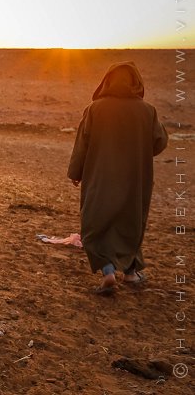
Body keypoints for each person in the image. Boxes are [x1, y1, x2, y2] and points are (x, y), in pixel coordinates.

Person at [68, 61, 168, 295]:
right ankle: (131, 274)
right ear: (136, 82)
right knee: (130, 223)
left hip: (100, 178)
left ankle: (108, 271)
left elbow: (82, 143)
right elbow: (159, 142)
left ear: (108, 81)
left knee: (96, 222)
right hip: (135, 181)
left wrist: (76, 172)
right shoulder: (148, 110)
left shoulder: (96, 109)